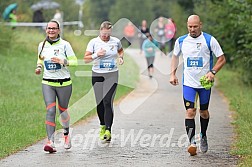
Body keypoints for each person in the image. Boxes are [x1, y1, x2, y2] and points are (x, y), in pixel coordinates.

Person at [169, 15, 226, 156]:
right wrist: (172, 74)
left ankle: (203, 135)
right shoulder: (181, 41)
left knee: (203, 112)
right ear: (187, 25)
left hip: (204, 84)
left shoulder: (209, 40)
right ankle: (192, 142)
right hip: (188, 83)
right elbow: (175, 57)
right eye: (190, 27)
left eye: (195, 26)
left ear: (200, 25)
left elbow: (222, 59)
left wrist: (212, 72)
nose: (192, 29)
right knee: (190, 112)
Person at [35, 20, 78, 153]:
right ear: (46, 30)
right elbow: (40, 58)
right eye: (49, 28)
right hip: (48, 82)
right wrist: (38, 67)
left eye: (54, 28)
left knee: (63, 110)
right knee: (50, 111)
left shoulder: (65, 45)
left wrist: (63, 61)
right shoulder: (42, 45)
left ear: (58, 30)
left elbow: (75, 62)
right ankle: (50, 141)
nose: (51, 31)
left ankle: (66, 135)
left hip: (64, 83)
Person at [84, 21, 124, 142]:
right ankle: (102, 125)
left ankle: (108, 130)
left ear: (111, 32)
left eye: (108, 34)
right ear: (100, 31)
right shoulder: (93, 42)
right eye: (104, 33)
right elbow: (86, 59)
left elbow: (120, 51)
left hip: (112, 74)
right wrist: (97, 54)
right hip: (97, 75)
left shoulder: (116, 41)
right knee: (100, 102)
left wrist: (121, 57)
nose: (106, 36)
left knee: (107, 101)